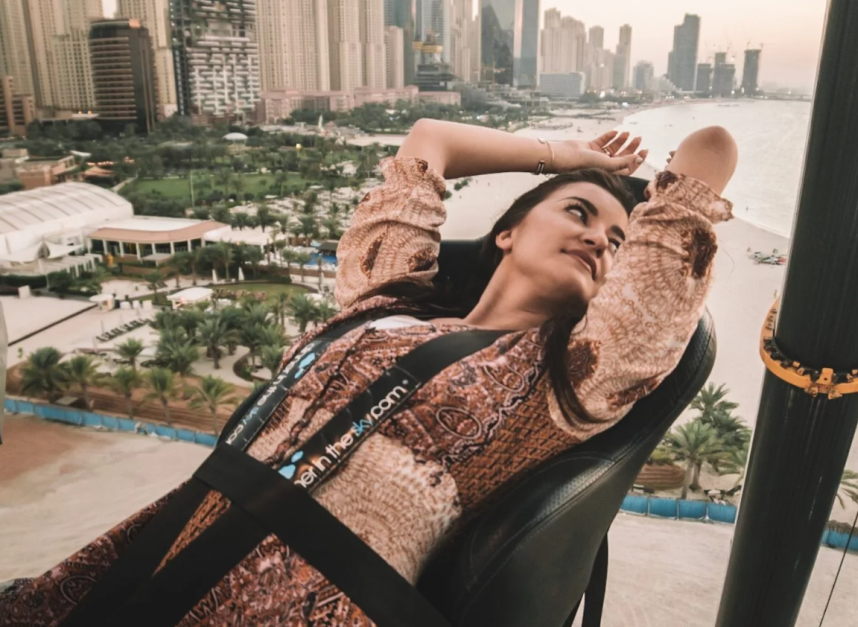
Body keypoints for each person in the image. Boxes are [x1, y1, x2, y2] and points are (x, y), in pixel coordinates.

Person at [0, 119, 737, 626]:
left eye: (617, 242)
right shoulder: (383, 299)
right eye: (579, 212)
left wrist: (639, 196)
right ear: (507, 232)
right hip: (158, 553)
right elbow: (429, 142)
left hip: (301, 607)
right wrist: (566, 153)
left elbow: (712, 150)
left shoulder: (563, 381)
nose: (600, 239)